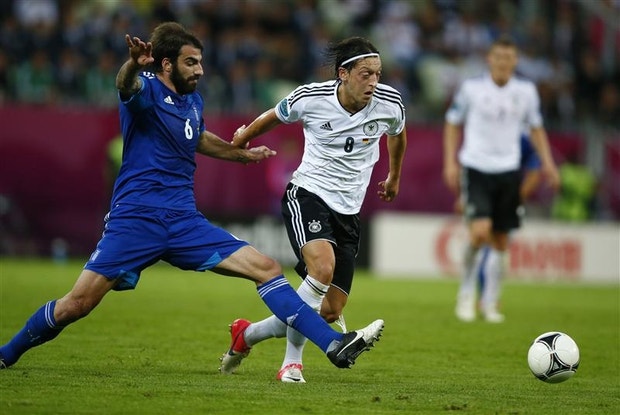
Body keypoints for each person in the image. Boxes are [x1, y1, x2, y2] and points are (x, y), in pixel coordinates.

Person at [0, 22, 384, 371]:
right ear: (166, 64)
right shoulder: (146, 89)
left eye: (200, 62)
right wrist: (132, 65)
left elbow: (197, 138)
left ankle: (333, 343)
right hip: (136, 220)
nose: (199, 70)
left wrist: (240, 154)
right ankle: (6, 354)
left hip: (184, 222)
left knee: (266, 268)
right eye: (190, 62)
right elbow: (125, 86)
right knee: (77, 305)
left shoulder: (192, 101)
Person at [219, 36, 407, 382]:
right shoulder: (311, 98)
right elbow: (273, 116)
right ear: (343, 74)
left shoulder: (390, 103)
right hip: (308, 194)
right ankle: (292, 364)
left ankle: (247, 334)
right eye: (366, 74)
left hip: (349, 211)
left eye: (378, 74)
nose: (374, 82)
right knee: (321, 268)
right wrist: (243, 139)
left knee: (329, 310)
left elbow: (397, 133)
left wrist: (394, 176)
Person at [443, 35, 560, 323]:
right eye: (498, 57)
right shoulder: (471, 89)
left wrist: (548, 163)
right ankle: (466, 294)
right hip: (476, 167)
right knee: (479, 232)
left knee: (501, 240)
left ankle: (490, 302)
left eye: (508, 58)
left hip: (509, 171)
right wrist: (450, 162)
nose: (503, 62)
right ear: (489, 59)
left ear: (515, 61)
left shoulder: (526, 92)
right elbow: (452, 123)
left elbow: (536, 128)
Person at [468, 134, 542, 312]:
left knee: (495, 248)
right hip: (489, 196)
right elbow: (535, 171)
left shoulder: (521, 139)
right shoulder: (502, 136)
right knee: (487, 245)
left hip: (506, 198)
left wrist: (514, 198)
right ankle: (484, 297)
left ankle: (487, 297)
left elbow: (535, 171)